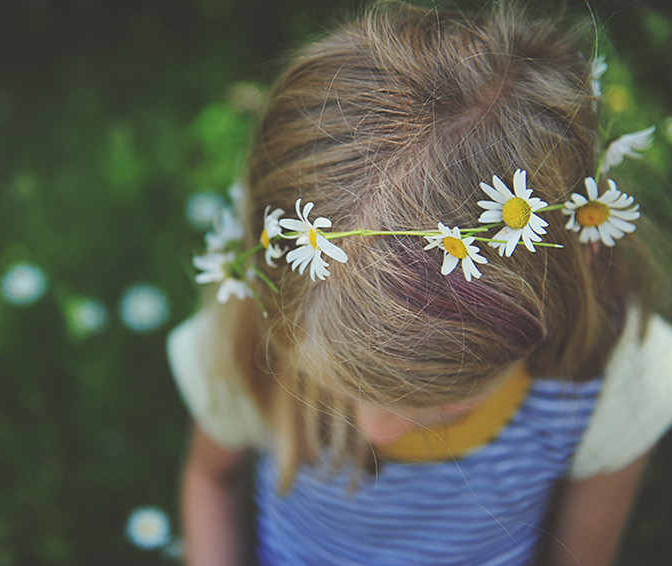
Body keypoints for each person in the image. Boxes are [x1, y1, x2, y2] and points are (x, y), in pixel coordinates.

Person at [169, 3, 672, 565]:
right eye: (344, 389)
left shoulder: (613, 384)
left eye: (445, 406)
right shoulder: (260, 332)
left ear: (550, 300)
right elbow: (212, 481)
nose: (377, 431)